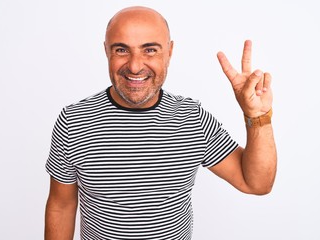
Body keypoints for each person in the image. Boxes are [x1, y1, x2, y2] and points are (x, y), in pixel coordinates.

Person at [44, 6, 277, 240]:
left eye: (150, 50)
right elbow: (61, 206)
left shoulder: (192, 119)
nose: (135, 66)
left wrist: (257, 116)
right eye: (122, 50)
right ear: (107, 51)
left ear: (169, 51)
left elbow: (256, 184)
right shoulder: (74, 121)